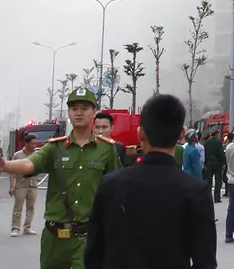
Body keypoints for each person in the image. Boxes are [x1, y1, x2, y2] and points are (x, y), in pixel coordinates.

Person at [0, 87, 122, 269]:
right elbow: (29, 164)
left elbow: (116, 187)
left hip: (87, 238)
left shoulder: (106, 149)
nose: (79, 113)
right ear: (69, 113)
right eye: (74, 109)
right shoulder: (55, 148)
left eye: (84, 108)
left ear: (93, 113)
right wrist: (5, 166)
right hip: (54, 238)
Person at [84, 94, 216, 269]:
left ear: (140, 133)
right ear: (181, 134)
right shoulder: (197, 191)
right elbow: (205, 262)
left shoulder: (110, 184)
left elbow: (93, 255)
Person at [9, 133, 40, 237]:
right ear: (26, 143)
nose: (34, 146)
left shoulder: (37, 154)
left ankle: (27, 227)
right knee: (18, 208)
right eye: (32, 144)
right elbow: (12, 171)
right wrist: (12, 185)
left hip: (33, 184)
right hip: (21, 185)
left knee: (30, 208)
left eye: (36, 144)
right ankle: (15, 228)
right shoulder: (17, 155)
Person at [202, 130, 225, 204]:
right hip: (217, 163)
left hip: (209, 163)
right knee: (218, 181)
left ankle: (207, 197)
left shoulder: (206, 143)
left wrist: (205, 164)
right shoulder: (219, 142)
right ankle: (217, 197)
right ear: (217, 134)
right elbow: (221, 153)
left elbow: (204, 154)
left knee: (209, 180)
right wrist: (223, 163)